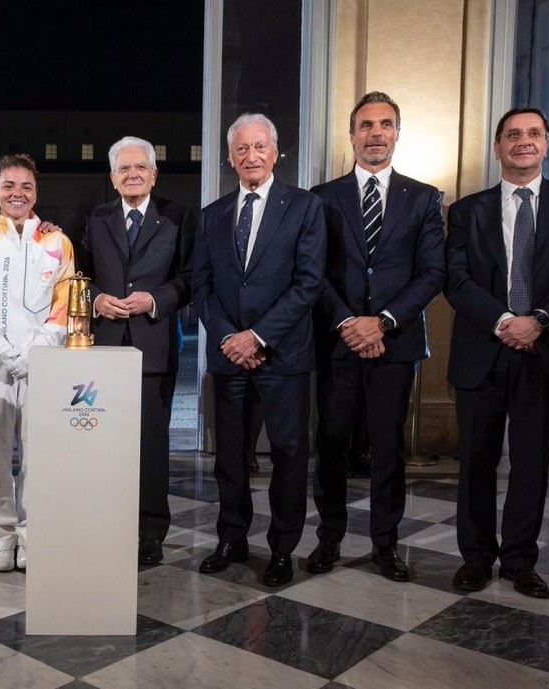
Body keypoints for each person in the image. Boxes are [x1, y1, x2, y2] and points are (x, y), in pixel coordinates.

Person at [445, 107, 549, 599]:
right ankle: (475, 557)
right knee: (476, 460)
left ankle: (519, 560)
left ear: (546, 143)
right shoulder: (466, 211)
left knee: (531, 462)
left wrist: (540, 321)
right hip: (483, 351)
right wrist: (503, 322)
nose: (523, 141)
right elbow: (456, 280)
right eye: (513, 134)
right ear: (498, 147)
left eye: (534, 133)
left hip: (545, 351)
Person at [308, 92, 446, 581]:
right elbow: (312, 271)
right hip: (338, 341)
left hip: (395, 343)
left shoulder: (424, 198)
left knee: (388, 448)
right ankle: (329, 538)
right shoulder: (321, 198)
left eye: (385, 124)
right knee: (331, 444)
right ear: (352, 135)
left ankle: (385, 544)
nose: (375, 133)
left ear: (397, 133)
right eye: (366, 125)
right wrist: (349, 323)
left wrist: (383, 321)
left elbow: (432, 273)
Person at [192, 113, 326, 586]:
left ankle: (282, 549)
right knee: (230, 456)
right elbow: (201, 286)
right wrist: (230, 338)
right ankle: (232, 539)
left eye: (259, 147)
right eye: (242, 149)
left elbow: (308, 282)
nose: (251, 156)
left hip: (283, 357)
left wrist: (258, 336)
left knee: (288, 455)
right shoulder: (212, 215)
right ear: (230, 158)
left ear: (275, 152)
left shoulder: (305, 207)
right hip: (229, 357)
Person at [0, 153, 75, 572]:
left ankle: (31, 535)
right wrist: (8, 354)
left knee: (40, 454)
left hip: (43, 364)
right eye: (8, 185)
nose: (17, 193)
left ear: (36, 192)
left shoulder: (58, 243)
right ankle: (1, 536)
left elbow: (64, 306)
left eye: (26, 186)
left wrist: (35, 354)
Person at [80, 136, 196, 565]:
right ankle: (107, 524)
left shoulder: (179, 217)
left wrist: (155, 299)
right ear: (112, 178)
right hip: (105, 346)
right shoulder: (95, 218)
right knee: (103, 442)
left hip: (154, 346)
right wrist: (96, 299)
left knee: (150, 445)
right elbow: (80, 275)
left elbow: (189, 278)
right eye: (124, 169)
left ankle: (151, 532)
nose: (132, 174)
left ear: (154, 174)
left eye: (140, 167)